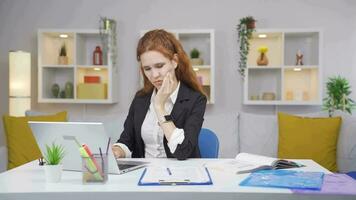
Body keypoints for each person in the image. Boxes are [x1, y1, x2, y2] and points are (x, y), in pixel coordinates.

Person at [112, 29, 207, 160]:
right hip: (144, 174)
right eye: (147, 69)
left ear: (174, 61)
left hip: (181, 175)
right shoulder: (140, 98)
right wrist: (117, 150)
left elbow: (183, 151)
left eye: (159, 66)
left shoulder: (195, 99)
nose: (154, 75)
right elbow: (127, 140)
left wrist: (159, 106)